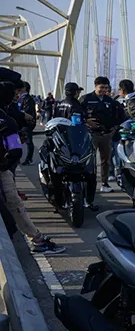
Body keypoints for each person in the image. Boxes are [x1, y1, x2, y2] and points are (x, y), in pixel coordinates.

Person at [0, 82, 65, 253]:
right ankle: (37, 240)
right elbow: (15, 151)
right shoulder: (7, 122)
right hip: (2, 171)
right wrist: (4, 166)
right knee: (14, 204)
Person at [80, 76, 123, 193]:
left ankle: (104, 183)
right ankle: (88, 183)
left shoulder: (110, 101)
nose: (103, 90)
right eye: (101, 87)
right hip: (91, 134)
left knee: (106, 160)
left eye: (106, 88)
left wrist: (114, 129)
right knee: (89, 160)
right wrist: (86, 121)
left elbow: (118, 117)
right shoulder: (86, 99)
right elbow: (77, 114)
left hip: (106, 135)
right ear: (95, 86)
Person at [18, 81, 36, 166]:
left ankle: (29, 159)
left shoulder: (28, 99)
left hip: (26, 123)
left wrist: (19, 114)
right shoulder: (20, 98)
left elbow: (27, 111)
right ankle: (17, 158)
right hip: (19, 123)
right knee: (17, 141)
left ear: (25, 88)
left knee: (28, 142)